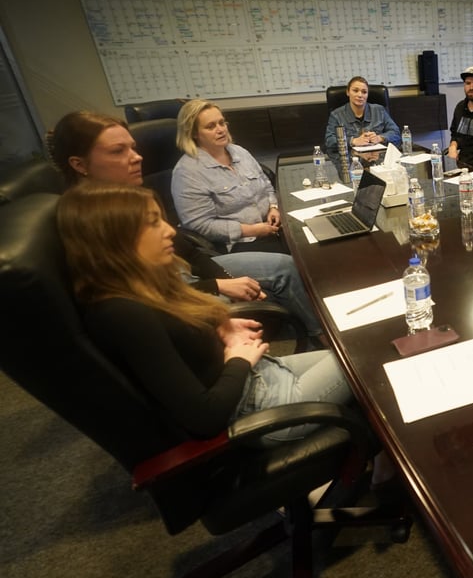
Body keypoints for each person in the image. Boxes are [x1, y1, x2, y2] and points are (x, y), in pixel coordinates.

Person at [56, 181, 351, 444]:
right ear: (115, 239)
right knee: (370, 361)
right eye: (153, 222)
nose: (170, 230)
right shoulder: (123, 315)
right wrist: (238, 358)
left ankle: (378, 467)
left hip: (263, 376)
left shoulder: (145, 284)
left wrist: (220, 327)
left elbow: (181, 338)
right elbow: (204, 418)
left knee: (355, 348)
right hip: (260, 409)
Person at [47, 110, 324, 341]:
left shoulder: (133, 196)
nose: (137, 157)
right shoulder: (92, 219)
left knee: (285, 266)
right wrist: (218, 286)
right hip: (178, 291)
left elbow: (187, 252)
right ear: (79, 164)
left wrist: (223, 278)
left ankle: (318, 334)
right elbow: (152, 295)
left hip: (191, 269)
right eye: (118, 151)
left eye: (133, 147)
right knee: (229, 305)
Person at [171, 99, 288, 254]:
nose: (221, 130)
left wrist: (273, 207)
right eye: (211, 126)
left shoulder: (239, 152)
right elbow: (200, 224)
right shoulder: (187, 172)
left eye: (222, 123)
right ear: (193, 133)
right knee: (296, 262)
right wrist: (251, 230)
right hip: (238, 243)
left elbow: (266, 184)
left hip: (271, 228)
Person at [324, 76, 401, 164]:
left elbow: (396, 132)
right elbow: (329, 140)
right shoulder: (336, 115)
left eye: (364, 92)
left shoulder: (379, 110)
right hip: (351, 163)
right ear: (348, 92)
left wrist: (380, 138)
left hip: (378, 161)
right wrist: (353, 141)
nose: (360, 95)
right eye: (355, 91)